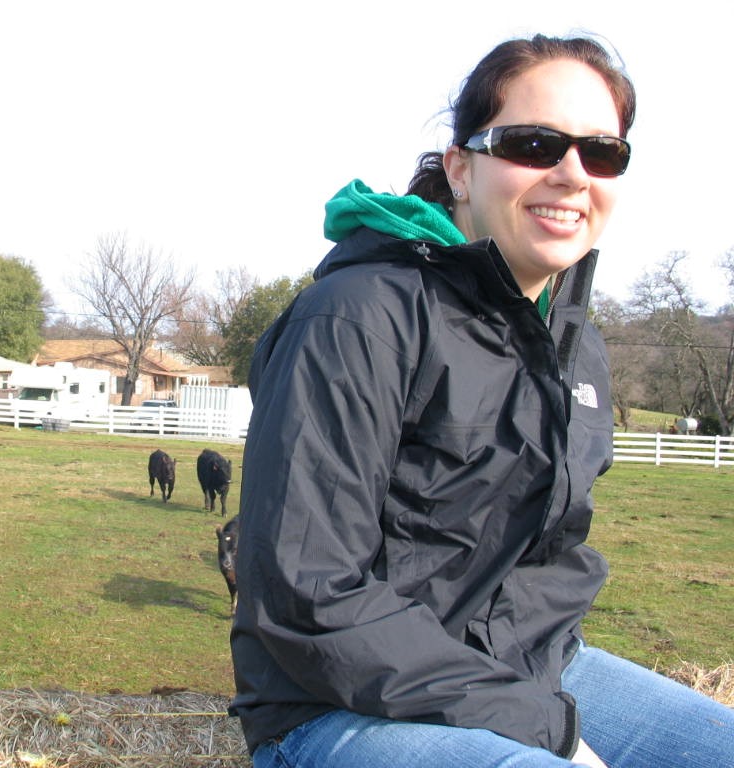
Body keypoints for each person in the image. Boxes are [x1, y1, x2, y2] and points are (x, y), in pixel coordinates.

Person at [229, 33, 734, 768]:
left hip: (530, 666)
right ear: (461, 168)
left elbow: (550, 558)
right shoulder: (358, 317)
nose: (572, 174)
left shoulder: (575, 341)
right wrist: (542, 728)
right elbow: (311, 592)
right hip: (338, 703)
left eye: (603, 153)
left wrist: (536, 699)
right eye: (534, 144)